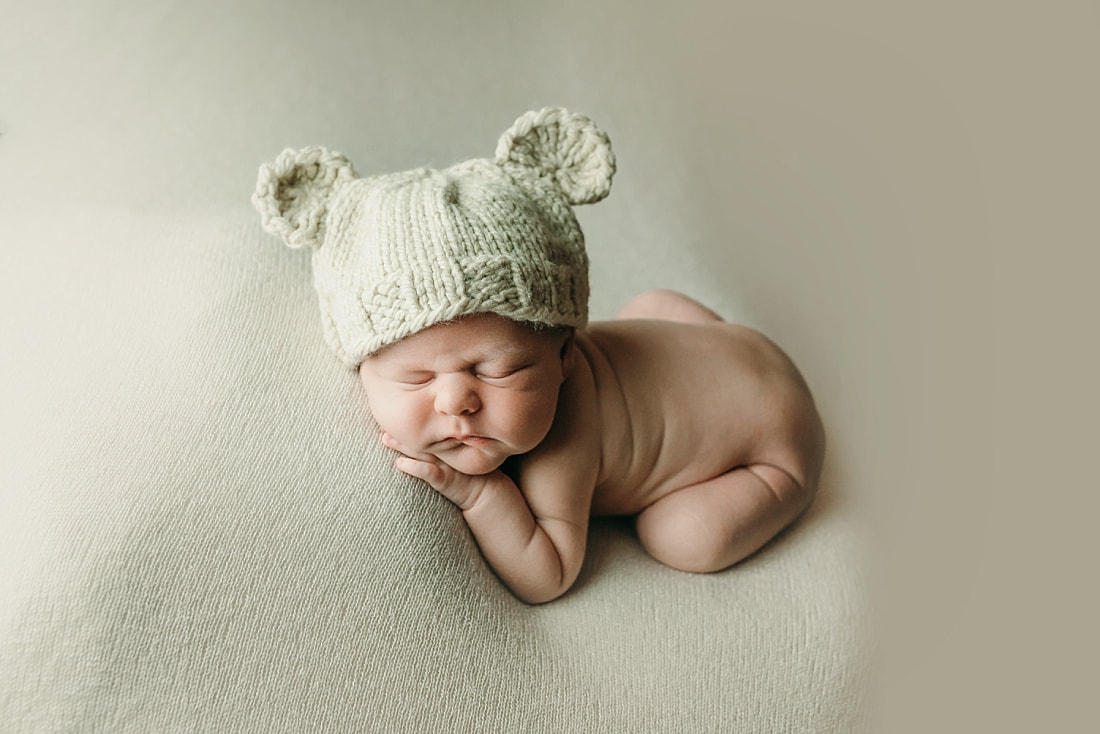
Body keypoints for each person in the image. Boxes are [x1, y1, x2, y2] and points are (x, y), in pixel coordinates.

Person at [253, 108, 825, 604]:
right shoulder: (537, 364)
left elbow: (549, 573)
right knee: (652, 304)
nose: (456, 400)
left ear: (565, 357)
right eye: (416, 377)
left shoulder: (561, 445)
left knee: (679, 536)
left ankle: (787, 480)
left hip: (776, 435)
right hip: (739, 348)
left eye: (499, 370)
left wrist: (479, 492)